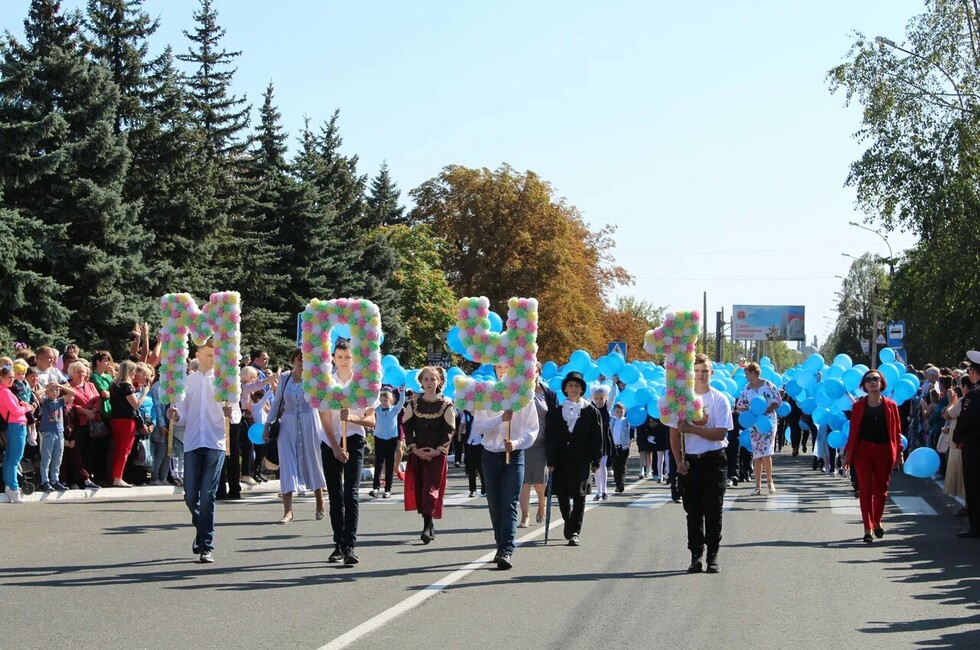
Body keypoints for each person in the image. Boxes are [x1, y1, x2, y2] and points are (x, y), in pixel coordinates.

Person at [670, 354, 733, 574]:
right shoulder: (682, 400)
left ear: (711, 373)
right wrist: (679, 462)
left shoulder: (719, 399)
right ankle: (696, 556)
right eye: (696, 371)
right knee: (693, 511)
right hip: (691, 462)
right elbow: (674, 434)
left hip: (714, 460)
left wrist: (692, 429)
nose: (700, 375)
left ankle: (712, 556)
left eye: (704, 371)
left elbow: (720, 433)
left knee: (713, 509)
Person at [472, 364, 539, 569]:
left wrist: (516, 443)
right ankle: (500, 543)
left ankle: (506, 549)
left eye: (507, 367)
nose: (503, 371)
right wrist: (500, 418)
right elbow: (479, 426)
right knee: (494, 503)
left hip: (514, 456)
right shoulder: (485, 395)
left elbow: (532, 429)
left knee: (509, 502)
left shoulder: (524, 397)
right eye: (499, 367)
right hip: (490, 455)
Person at [168, 341, 230, 563]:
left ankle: (206, 545)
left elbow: (236, 415)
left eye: (216, 355)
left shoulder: (224, 382)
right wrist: (175, 415)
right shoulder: (187, 381)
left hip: (215, 442)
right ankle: (201, 530)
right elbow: (183, 415)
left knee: (207, 494)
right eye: (209, 354)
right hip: (193, 442)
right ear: (198, 354)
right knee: (190, 495)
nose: (214, 358)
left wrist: (230, 412)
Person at [319, 340, 377, 565]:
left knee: (350, 493)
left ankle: (350, 545)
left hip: (354, 439)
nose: (344, 361)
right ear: (333, 358)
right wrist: (335, 447)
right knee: (335, 495)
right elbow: (324, 418)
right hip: (330, 440)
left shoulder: (363, 384)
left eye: (348, 357)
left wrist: (353, 417)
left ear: (354, 359)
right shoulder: (325, 382)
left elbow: (371, 420)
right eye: (340, 357)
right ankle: (338, 543)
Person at [842, 369, 903, 543]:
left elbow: (897, 432)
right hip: (863, 451)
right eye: (868, 380)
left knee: (881, 490)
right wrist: (848, 455)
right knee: (865, 490)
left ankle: (877, 521)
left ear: (881, 383)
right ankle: (867, 528)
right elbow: (853, 433)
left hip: (884, 451)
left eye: (876, 379)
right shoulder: (858, 406)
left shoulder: (891, 405)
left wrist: (899, 452)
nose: (872, 382)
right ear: (864, 385)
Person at [267, 349, 325, 524]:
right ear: (292, 361)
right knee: (287, 464)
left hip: (310, 422)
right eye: (299, 359)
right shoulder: (285, 378)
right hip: (288, 424)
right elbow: (277, 402)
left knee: (312, 460)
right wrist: (268, 424)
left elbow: (322, 399)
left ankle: (320, 502)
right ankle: (288, 511)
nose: (302, 362)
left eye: (306, 359)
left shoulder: (314, 377)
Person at [545, 371, 603, 546]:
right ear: (565, 389)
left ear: (582, 389)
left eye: (577, 386)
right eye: (570, 385)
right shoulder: (556, 412)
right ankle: (568, 519)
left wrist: (596, 460)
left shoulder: (591, 411)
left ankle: (574, 531)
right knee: (562, 493)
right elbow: (550, 437)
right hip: (561, 459)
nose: (574, 388)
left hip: (582, 459)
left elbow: (597, 437)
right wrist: (550, 460)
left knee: (579, 494)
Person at [402, 366, 456, 545]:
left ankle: (426, 526)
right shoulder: (413, 404)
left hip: (436, 454)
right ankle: (429, 522)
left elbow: (449, 431)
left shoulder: (446, 405)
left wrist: (439, 450)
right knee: (420, 488)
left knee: (430, 488)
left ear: (439, 381)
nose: (429, 382)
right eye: (425, 379)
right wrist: (413, 448)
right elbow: (407, 428)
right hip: (418, 452)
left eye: (433, 379)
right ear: (421, 381)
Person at [736, 362, 782, 495]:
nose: (746, 377)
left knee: (766, 454)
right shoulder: (747, 388)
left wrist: (766, 409)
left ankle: (770, 482)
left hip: (767, 422)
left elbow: (778, 401)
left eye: (747, 374)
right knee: (757, 455)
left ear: (753, 373)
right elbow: (740, 405)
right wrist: (749, 410)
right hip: (754, 423)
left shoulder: (767, 385)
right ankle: (757, 486)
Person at [520, 367, 556, 527]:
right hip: (523, 442)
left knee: (540, 481)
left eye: (534, 371)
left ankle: (542, 505)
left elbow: (555, 419)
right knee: (523, 481)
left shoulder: (549, 394)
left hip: (542, 443)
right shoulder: (519, 392)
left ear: (539, 373)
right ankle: (525, 516)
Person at [952, 351, 980, 539]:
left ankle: (976, 527)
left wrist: (957, 438)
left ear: (974, 372)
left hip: (974, 447)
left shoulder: (974, 396)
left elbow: (965, 421)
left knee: (974, 486)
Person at [109, 360, 150, 488]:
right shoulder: (127, 386)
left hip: (115, 419)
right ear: (130, 371)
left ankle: (114, 475)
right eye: (134, 371)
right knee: (124, 450)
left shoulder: (114, 385)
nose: (134, 374)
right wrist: (144, 392)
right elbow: (136, 404)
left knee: (117, 449)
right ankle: (118, 477)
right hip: (126, 421)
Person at [1, 365, 36, 503]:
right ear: (1, 378)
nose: (11, 380)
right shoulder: (4, 392)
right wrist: (26, 407)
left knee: (10, 458)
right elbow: (15, 411)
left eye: (12, 377)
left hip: (16, 426)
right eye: (8, 377)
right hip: (16, 426)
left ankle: (10, 486)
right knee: (14, 459)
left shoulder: (6, 391)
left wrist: (23, 406)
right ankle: (13, 487)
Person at [38, 381, 76, 491]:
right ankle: (44, 481)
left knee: (57, 458)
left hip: (59, 433)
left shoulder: (60, 401)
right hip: (48, 433)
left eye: (56, 390)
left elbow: (73, 393)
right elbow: (37, 394)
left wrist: (59, 385)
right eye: (52, 390)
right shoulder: (46, 402)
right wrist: (46, 388)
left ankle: (55, 480)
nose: (54, 392)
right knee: (46, 458)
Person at [943, 377, 972, 513]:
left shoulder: (963, 401)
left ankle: (967, 506)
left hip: (960, 444)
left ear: (965, 387)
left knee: (964, 476)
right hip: (964, 442)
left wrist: (951, 401)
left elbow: (947, 415)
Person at [370, 387, 404, 498]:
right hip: (379, 437)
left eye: (385, 400)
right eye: (381, 400)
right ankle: (375, 488)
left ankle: (388, 489)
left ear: (390, 401)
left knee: (390, 464)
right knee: (378, 463)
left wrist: (402, 391)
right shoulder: (377, 409)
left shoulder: (394, 410)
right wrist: (373, 389)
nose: (383, 403)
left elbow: (401, 402)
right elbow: (371, 402)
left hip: (391, 438)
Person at [590, 384, 615, 501]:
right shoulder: (591, 408)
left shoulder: (607, 408)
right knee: (596, 466)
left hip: (604, 440)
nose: (599, 401)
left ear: (605, 398)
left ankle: (604, 491)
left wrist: (614, 384)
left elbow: (613, 395)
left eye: (601, 398)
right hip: (594, 440)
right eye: (597, 398)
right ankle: (598, 491)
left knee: (603, 465)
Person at [460, 410, 484, 497]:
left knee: (481, 467)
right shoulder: (466, 414)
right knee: (471, 468)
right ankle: (472, 489)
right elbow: (462, 424)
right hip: (470, 442)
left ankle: (484, 487)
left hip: (480, 443)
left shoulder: (482, 413)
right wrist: (459, 434)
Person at [609, 403, 632, 493]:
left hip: (624, 447)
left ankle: (621, 484)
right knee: (615, 466)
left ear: (624, 412)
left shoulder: (626, 421)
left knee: (622, 466)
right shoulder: (612, 420)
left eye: (621, 411)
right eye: (617, 411)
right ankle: (617, 483)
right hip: (614, 446)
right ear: (614, 412)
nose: (619, 413)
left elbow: (631, 427)